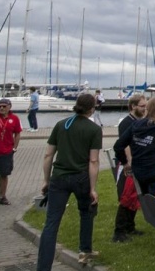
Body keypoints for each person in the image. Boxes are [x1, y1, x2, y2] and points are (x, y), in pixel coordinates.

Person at [36, 93, 102, 270]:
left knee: (51, 223)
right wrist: (93, 188)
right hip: (81, 178)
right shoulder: (94, 129)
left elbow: (48, 154)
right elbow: (94, 161)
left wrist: (46, 180)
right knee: (86, 212)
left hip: (59, 178)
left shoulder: (61, 125)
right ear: (91, 108)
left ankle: (43, 267)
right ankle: (84, 250)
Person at [111, 94, 146, 243]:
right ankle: (119, 231)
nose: (145, 109)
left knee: (134, 195)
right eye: (142, 106)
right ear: (133, 106)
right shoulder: (126, 123)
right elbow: (124, 145)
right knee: (126, 196)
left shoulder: (139, 121)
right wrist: (128, 163)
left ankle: (130, 226)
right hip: (127, 163)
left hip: (137, 162)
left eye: (146, 106)